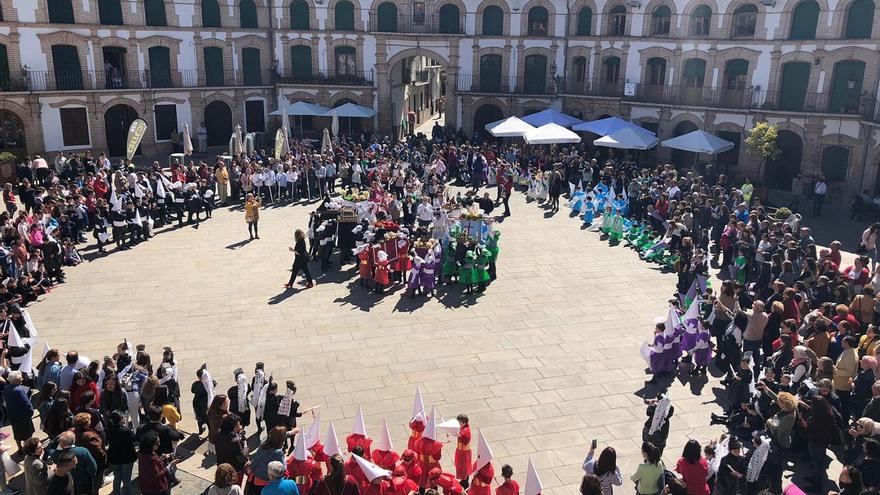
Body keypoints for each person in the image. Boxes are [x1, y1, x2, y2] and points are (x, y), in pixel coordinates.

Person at [138, 431, 181, 495]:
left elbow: (151, 467)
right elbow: (157, 476)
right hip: (157, 489)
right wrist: (170, 465)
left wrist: (160, 458)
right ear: (151, 445)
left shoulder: (143, 453)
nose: (159, 444)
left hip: (145, 486)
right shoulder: (150, 459)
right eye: (157, 443)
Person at [107, 410, 137, 495]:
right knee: (126, 479)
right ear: (120, 419)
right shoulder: (126, 430)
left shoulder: (108, 429)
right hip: (126, 457)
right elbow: (134, 438)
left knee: (117, 477)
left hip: (114, 457)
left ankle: (116, 493)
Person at [4, 370, 34, 450]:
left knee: (17, 433)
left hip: (13, 416)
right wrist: (30, 413)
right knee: (28, 434)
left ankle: (20, 448)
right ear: (17, 380)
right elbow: (27, 405)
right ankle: (28, 449)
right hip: (23, 417)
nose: (22, 380)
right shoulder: (20, 390)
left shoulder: (6, 388)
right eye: (20, 378)